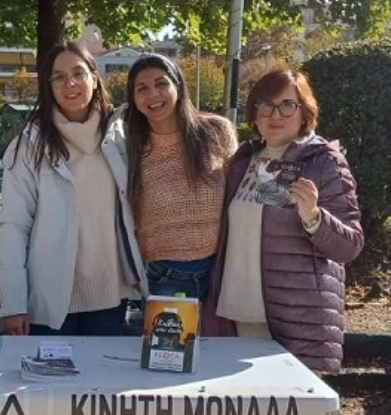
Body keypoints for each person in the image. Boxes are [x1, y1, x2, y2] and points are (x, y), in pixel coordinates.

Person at [204, 69, 363, 375]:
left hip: (295, 321)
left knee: (290, 405)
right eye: (266, 105)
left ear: (305, 112)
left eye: (287, 105)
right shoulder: (244, 161)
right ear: (254, 113)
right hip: (238, 315)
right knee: (246, 403)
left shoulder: (324, 162)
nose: (275, 115)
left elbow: (350, 246)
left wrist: (314, 217)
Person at [0, 42, 147, 336]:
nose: (70, 84)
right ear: (49, 86)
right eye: (59, 77)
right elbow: (13, 226)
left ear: (94, 77)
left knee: (104, 368)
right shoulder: (29, 144)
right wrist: (13, 303)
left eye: (79, 73)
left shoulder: (122, 136)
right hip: (49, 300)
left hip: (111, 297)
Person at [125, 53, 237, 301]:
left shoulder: (216, 131)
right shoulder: (129, 147)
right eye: (142, 88)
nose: (153, 94)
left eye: (161, 83)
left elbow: (237, 194)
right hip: (164, 279)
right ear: (133, 99)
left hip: (222, 272)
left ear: (178, 86)